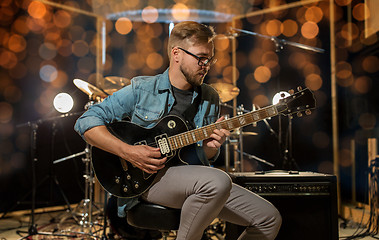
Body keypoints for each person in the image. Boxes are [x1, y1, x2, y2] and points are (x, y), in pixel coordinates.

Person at [75, 21, 281, 240]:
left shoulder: (209, 97)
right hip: (146, 180)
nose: (206, 65)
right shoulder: (143, 89)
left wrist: (210, 149)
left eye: (209, 59)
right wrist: (128, 152)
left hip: (190, 181)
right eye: (200, 58)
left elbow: (201, 159)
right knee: (218, 181)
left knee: (268, 218)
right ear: (176, 54)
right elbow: (85, 121)